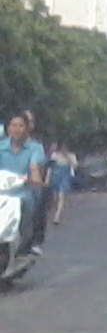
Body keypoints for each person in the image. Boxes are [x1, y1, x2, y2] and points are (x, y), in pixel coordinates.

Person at [0, 113, 47, 264]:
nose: (17, 129)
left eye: (21, 125)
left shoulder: (35, 148)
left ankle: (24, 246)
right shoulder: (1, 147)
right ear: (8, 128)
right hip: (2, 191)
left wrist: (33, 176)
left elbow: (34, 167)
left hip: (22, 191)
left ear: (27, 129)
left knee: (29, 203)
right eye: (13, 125)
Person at [48, 144, 76, 225]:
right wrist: (47, 178)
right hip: (55, 176)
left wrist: (68, 157)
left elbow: (74, 166)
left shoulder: (72, 156)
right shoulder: (55, 155)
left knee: (61, 196)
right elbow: (50, 167)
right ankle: (55, 210)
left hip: (65, 177)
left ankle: (57, 216)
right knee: (55, 197)